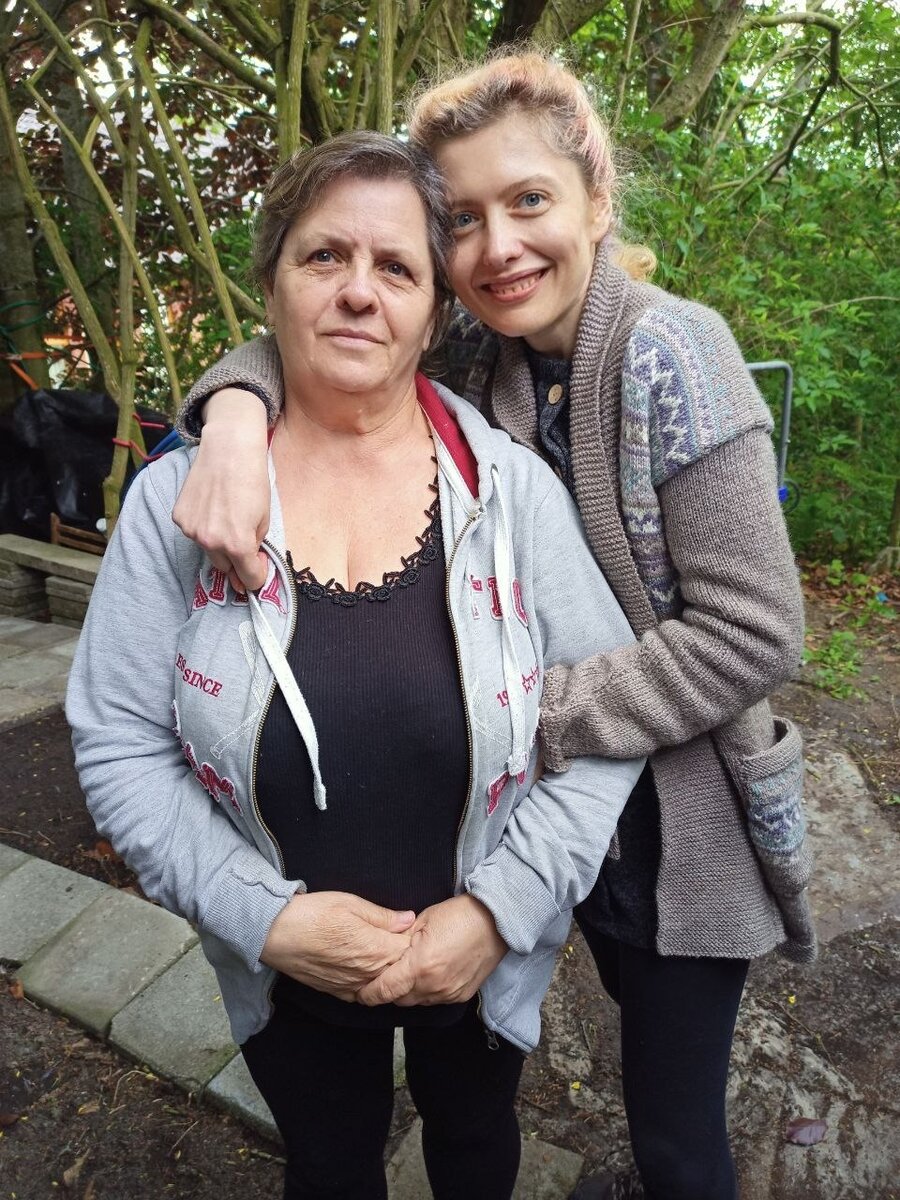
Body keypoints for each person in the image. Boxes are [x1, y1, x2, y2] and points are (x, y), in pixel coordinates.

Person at [172, 51, 815, 1200]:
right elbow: (319, 324)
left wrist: (524, 710)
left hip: (676, 827)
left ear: (596, 202)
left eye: (528, 200)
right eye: (462, 220)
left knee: (675, 1140)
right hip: (546, 825)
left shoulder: (677, 355)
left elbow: (757, 632)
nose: (497, 245)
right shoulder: (487, 354)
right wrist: (229, 413)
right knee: (503, 1067)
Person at [66, 131, 645, 1200]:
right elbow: (119, 741)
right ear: (272, 282)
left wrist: (501, 912)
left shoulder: (511, 496)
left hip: (477, 961)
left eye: (397, 269)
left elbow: (609, 724)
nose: (358, 293)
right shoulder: (177, 508)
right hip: (285, 971)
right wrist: (265, 917)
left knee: (476, 1143)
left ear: (435, 313)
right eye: (324, 255)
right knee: (329, 1163)